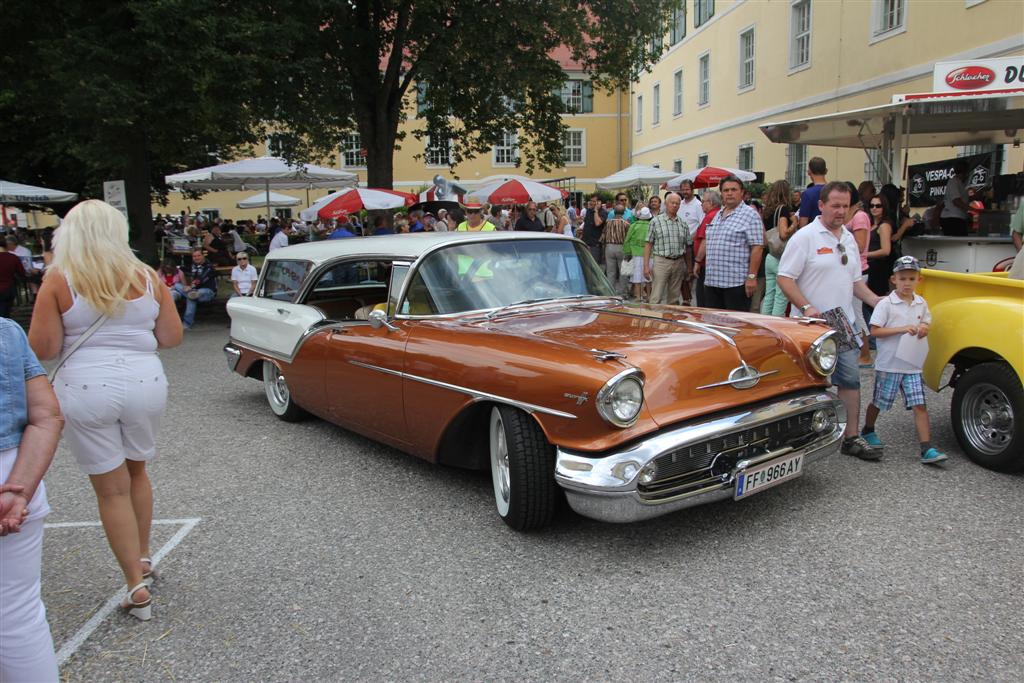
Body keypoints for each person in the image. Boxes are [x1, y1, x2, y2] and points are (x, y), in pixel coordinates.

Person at [27, 199, 183, 623]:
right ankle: (145, 556)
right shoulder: (148, 277)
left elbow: (43, 350)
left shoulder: (60, 279)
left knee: (110, 489)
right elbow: (170, 337)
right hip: (145, 382)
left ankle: (135, 583)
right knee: (137, 472)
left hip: (86, 386)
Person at [777, 182, 883, 460]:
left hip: (842, 323)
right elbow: (784, 277)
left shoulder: (847, 238)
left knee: (850, 381)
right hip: (809, 327)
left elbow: (855, 282)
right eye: (835, 205)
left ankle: (851, 437)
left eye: (845, 206)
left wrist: (877, 302)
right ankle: (799, 439)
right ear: (821, 205)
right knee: (807, 384)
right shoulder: (805, 237)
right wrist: (807, 307)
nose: (841, 211)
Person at [0, 318, 62, 681]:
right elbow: (47, 415)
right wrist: (18, 488)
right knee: (18, 615)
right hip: (13, 470)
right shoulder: (6, 331)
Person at [861, 256, 947, 464]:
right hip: (890, 364)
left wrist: (925, 328)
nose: (907, 283)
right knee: (880, 401)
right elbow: (875, 331)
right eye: (903, 278)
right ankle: (868, 429)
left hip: (912, 365)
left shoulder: (921, 303)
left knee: (920, 405)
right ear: (893, 279)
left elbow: (927, 321)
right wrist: (901, 329)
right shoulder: (886, 304)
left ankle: (926, 448)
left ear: (919, 280)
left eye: (911, 278)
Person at [699, 177, 764, 312]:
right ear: (721, 194)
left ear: (742, 193)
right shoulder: (718, 214)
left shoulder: (750, 215)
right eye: (726, 190)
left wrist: (752, 277)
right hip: (712, 282)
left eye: (733, 190)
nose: (729, 193)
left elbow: (757, 247)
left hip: (735, 284)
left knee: (735, 326)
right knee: (714, 325)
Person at [845, 181, 874, 366]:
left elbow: (861, 245)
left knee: (856, 314)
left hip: (859, 270)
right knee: (852, 313)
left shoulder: (860, 216)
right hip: (851, 270)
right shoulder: (855, 215)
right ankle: (861, 352)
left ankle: (865, 354)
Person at [643, 192, 689, 305]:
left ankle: (671, 320)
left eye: (677, 204)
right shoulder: (655, 221)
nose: (675, 205)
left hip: (678, 262)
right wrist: (646, 266)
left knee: (674, 298)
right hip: (661, 262)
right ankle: (654, 319)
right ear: (666, 204)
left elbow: (688, 247)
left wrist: (688, 267)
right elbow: (648, 244)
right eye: (672, 203)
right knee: (656, 296)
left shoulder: (683, 223)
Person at [760, 180, 794, 317]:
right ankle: (776, 326)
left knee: (769, 294)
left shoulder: (767, 210)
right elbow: (783, 233)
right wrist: (795, 224)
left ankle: (765, 324)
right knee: (781, 296)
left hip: (770, 255)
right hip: (781, 257)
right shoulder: (783, 209)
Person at [692, 190, 721, 308]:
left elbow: (705, 240)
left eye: (703, 201)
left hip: (705, 264)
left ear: (711, 202)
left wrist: (698, 261)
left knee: (703, 299)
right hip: (710, 263)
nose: (701, 204)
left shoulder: (710, 216)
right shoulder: (716, 214)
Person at [865, 192, 895, 305]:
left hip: (878, 269)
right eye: (871, 205)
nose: (874, 208)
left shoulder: (884, 226)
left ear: (884, 207)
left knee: (875, 303)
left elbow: (886, 250)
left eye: (878, 206)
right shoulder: (872, 225)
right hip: (870, 268)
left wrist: (865, 254)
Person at [178, 248, 218, 330]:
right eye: (194, 256)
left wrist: (190, 287)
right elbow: (180, 268)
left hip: (207, 292)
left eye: (199, 255)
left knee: (195, 294)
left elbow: (200, 279)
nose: (196, 258)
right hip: (193, 292)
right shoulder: (192, 266)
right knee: (178, 286)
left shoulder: (209, 267)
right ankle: (192, 294)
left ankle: (187, 324)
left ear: (203, 256)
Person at [624, 206, 653, 302]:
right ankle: (649, 296)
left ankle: (638, 296)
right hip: (650, 254)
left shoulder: (634, 225)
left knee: (637, 276)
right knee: (649, 276)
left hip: (636, 254)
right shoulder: (652, 225)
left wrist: (627, 252)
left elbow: (627, 240)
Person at [601, 201, 630, 296]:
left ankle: (610, 292)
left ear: (614, 212)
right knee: (623, 271)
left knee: (610, 272)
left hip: (609, 247)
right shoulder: (626, 224)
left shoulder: (608, 223)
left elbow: (603, 237)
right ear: (624, 213)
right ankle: (622, 292)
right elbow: (628, 238)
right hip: (621, 247)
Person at [940, 161, 970, 237]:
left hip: (958, 218)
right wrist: (974, 210)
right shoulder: (953, 182)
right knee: (958, 243)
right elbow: (956, 201)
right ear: (965, 172)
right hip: (952, 219)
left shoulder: (961, 184)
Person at [798, 157, 829, 227]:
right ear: (826, 171)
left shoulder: (807, 194)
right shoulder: (834, 190)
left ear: (809, 172)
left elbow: (803, 223)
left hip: (814, 234)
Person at [0, 239, 26, 318]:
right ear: (6, 246)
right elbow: (21, 272)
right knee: (6, 313)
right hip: (9, 289)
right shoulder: (13, 257)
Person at [580, 194, 606, 263]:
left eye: (594, 201)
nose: (591, 202)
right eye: (591, 201)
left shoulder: (603, 212)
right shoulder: (589, 211)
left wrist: (596, 210)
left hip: (595, 245)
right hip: (585, 242)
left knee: (593, 265)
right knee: (585, 264)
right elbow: (586, 224)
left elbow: (597, 223)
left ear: (599, 202)